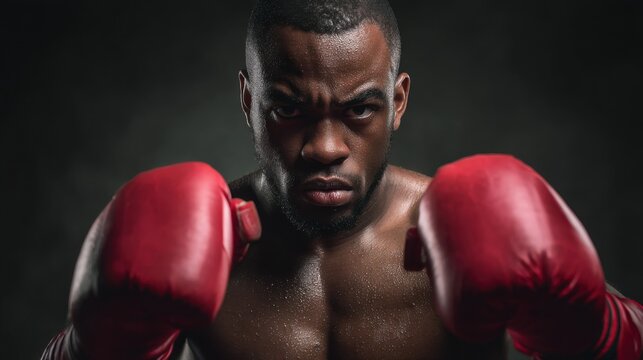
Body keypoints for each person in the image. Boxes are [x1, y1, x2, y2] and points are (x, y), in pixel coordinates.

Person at [42, 0, 642, 359]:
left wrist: (590, 332)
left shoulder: (473, 232)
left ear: (398, 101)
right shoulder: (190, 244)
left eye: (359, 109)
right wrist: (95, 348)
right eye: (289, 109)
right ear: (249, 100)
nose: (325, 148)